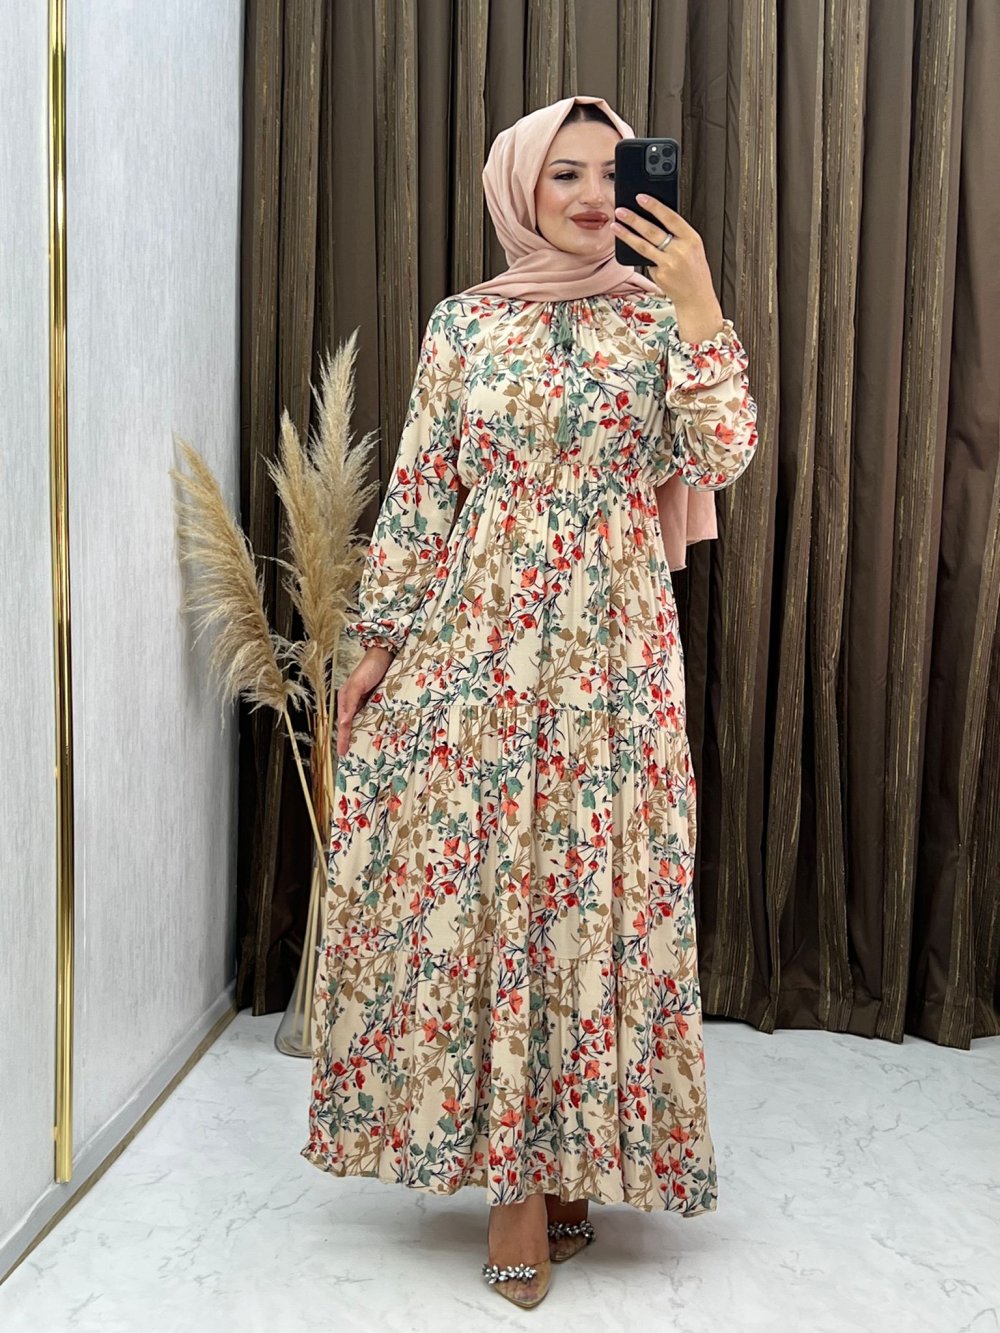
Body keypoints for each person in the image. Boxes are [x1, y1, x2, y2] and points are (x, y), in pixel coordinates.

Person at [301, 94, 758, 1310]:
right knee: (496, 893)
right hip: (482, 645)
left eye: (612, 172)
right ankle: (511, 1185)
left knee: (590, 893)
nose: (595, 195)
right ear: (518, 187)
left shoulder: (656, 317)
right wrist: (376, 642)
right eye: (565, 174)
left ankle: (567, 1162)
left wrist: (702, 310)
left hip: (614, 652)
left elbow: (719, 457)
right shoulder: (465, 324)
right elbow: (422, 489)